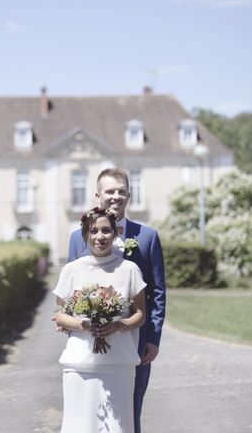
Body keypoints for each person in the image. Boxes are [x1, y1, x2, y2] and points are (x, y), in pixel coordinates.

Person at [68, 167, 166, 433]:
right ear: (97, 195)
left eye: (122, 191)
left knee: (128, 412)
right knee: (87, 412)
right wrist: (75, 326)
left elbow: (157, 293)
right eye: (110, 191)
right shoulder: (77, 238)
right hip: (89, 341)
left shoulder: (147, 237)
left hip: (135, 342)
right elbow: (70, 295)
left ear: (129, 195)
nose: (116, 196)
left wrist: (152, 339)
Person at [53, 207, 147, 433]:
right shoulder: (71, 270)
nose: (100, 236)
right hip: (80, 362)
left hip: (119, 361)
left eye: (106, 230)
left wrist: (118, 325)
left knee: (118, 426)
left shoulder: (129, 269)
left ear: (115, 234)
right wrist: (83, 325)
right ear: (85, 235)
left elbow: (140, 314)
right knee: (80, 425)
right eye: (93, 231)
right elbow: (60, 315)